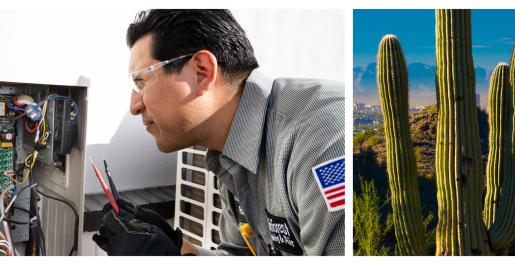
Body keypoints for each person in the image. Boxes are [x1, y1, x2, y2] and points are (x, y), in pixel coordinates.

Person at [90, 9, 345, 256]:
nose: (134, 106)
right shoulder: (229, 153)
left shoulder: (322, 144)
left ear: (202, 72)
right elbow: (241, 255)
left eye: (141, 81)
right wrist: (177, 247)